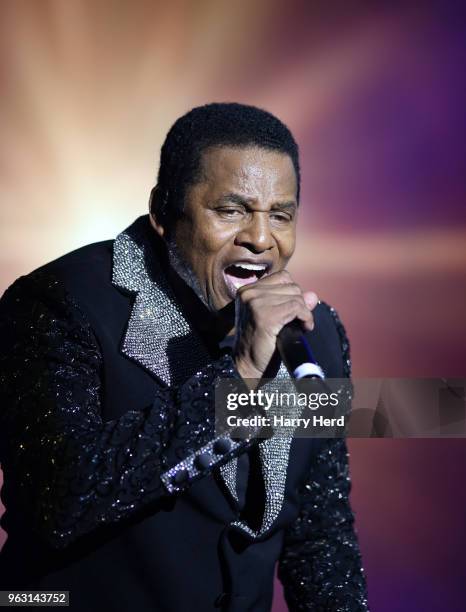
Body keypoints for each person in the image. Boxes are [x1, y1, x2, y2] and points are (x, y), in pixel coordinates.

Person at [0, 103, 369, 611]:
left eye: (280, 215)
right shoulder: (60, 303)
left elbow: (320, 536)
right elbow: (60, 501)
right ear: (163, 210)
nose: (261, 239)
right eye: (231, 210)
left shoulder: (318, 334)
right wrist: (239, 377)